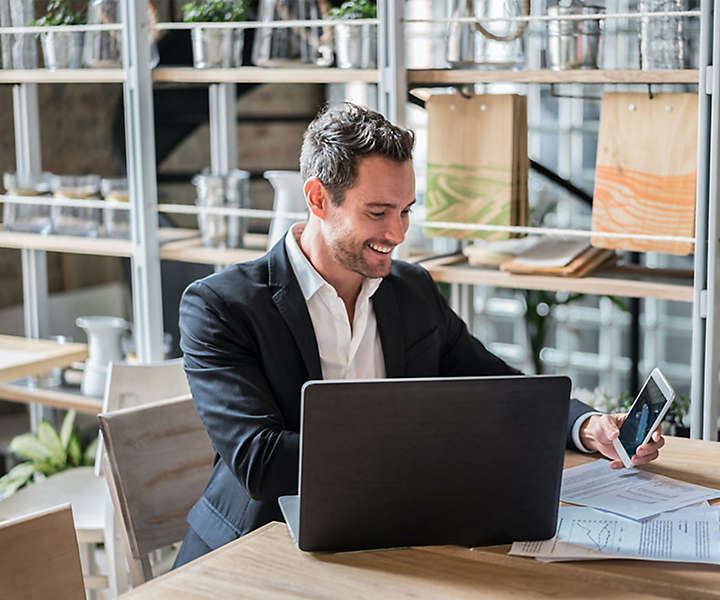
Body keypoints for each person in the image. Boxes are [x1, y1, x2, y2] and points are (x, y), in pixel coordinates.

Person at [174, 103, 665, 567]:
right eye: (378, 212)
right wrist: (427, 443)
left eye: (406, 210)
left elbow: (501, 387)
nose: (398, 232)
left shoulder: (410, 289)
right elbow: (260, 462)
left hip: (389, 541)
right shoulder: (221, 306)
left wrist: (588, 426)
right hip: (258, 549)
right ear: (318, 199)